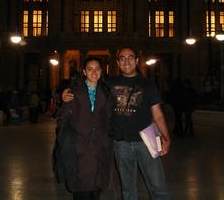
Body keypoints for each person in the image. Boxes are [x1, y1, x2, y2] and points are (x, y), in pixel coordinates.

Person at [63, 47, 171, 200]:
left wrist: (166, 138)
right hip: (121, 143)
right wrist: (66, 92)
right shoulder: (109, 83)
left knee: (158, 186)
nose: (126, 61)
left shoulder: (148, 85)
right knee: (127, 188)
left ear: (137, 60)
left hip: (147, 141)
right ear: (118, 62)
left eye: (130, 57)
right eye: (122, 58)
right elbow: (87, 84)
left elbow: (158, 115)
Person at [55, 57, 113, 200]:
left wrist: (107, 138)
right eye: (90, 69)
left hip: (100, 145)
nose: (94, 72)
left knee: (96, 186)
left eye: (97, 69)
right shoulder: (73, 92)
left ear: (102, 71)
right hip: (79, 145)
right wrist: (68, 138)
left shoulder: (106, 92)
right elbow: (62, 117)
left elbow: (110, 117)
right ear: (84, 72)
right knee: (81, 188)